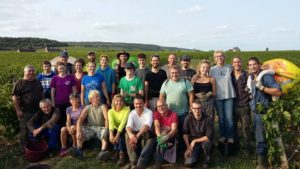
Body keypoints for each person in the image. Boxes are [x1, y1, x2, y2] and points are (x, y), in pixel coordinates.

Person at [248, 57, 281, 169]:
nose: (252, 67)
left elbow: (277, 91)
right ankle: (261, 158)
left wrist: (262, 87)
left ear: (259, 65)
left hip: (263, 111)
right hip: (255, 111)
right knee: (257, 134)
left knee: (260, 136)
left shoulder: (266, 76)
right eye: (250, 65)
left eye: (254, 64)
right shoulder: (252, 77)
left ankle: (262, 164)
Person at [69, 90, 110, 159]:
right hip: (91, 128)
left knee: (105, 133)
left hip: (101, 128)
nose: (98, 98)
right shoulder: (88, 107)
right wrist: (78, 131)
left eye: (98, 96)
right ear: (91, 99)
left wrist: (106, 129)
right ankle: (79, 151)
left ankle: (103, 152)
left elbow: (107, 119)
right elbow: (80, 119)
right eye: (96, 97)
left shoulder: (103, 106)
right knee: (80, 129)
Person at [12, 65, 44, 147]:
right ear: (24, 72)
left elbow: (41, 93)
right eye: (29, 71)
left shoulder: (37, 81)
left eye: (32, 71)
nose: (31, 72)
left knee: (36, 128)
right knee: (24, 130)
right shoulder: (19, 83)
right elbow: (14, 97)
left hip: (37, 110)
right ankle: (24, 148)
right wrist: (18, 110)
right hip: (25, 111)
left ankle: (36, 146)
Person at [210, 50, 236, 144]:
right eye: (217, 56)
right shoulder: (212, 70)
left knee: (229, 117)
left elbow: (240, 70)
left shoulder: (230, 67)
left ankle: (230, 136)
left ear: (224, 57)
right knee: (221, 118)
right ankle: (223, 135)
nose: (219, 58)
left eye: (221, 56)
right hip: (218, 96)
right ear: (215, 58)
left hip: (229, 95)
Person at [125, 95, 154, 169]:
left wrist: (136, 136)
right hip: (135, 133)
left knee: (147, 133)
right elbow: (128, 127)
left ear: (144, 103)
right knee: (127, 134)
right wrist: (131, 135)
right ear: (134, 104)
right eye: (136, 104)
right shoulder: (132, 113)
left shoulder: (149, 112)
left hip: (144, 132)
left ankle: (142, 160)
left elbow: (147, 126)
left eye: (140, 103)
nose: (138, 105)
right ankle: (133, 161)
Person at [183, 100, 214, 169]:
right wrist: (188, 147)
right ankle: (196, 157)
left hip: (204, 142)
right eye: (194, 108)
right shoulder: (188, 118)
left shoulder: (208, 119)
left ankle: (207, 160)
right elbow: (185, 134)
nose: (197, 110)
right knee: (188, 164)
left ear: (201, 108)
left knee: (208, 144)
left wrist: (194, 141)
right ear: (191, 108)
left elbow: (209, 136)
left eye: (199, 108)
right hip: (193, 145)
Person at [231, 56, 251, 152]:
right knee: (234, 127)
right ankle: (236, 146)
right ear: (232, 64)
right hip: (233, 105)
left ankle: (247, 147)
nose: (237, 64)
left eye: (238, 62)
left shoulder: (247, 74)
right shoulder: (229, 75)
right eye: (235, 62)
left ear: (241, 63)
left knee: (246, 128)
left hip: (245, 105)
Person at [153, 99, 178, 169]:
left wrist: (165, 137)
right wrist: (159, 137)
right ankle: (140, 163)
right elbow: (157, 126)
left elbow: (174, 130)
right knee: (150, 142)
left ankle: (158, 163)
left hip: (170, 138)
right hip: (160, 137)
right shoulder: (156, 113)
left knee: (164, 133)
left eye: (162, 105)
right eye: (158, 106)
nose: (160, 108)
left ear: (167, 106)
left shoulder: (173, 114)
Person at [50, 62, 77, 126]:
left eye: (63, 68)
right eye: (60, 68)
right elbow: (52, 91)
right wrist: (53, 102)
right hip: (58, 103)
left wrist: (74, 101)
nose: (61, 69)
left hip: (69, 103)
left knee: (69, 118)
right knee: (60, 119)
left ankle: (69, 133)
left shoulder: (70, 77)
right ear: (57, 69)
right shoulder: (54, 78)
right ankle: (61, 133)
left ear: (66, 68)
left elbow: (74, 90)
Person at [108, 94, 130, 166]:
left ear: (123, 102)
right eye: (117, 101)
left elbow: (123, 123)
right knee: (110, 132)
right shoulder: (110, 111)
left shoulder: (127, 109)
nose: (119, 102)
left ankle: (120, 154)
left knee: (120, 135)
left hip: (124, 128)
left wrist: (117, 135)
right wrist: (111, 134)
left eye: (120, 101)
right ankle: (116, 151)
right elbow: (111, 122)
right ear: (113, 102)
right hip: (114, 128)